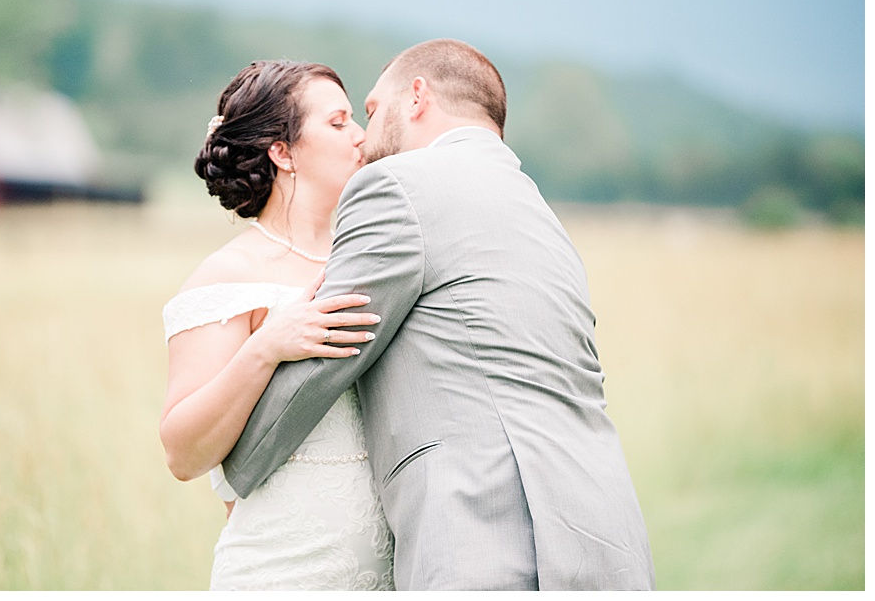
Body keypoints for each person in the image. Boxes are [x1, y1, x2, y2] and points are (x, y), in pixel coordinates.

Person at [221, 39, 657, 590]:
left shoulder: (397, 187)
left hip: (489, 539)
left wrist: (232, 465)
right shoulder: (538, 212)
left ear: (417, 98)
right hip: (605, 538)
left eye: (373, 111)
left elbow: (331, 345)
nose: (364, 136)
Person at [159, 60, 394, 590]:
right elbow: (181, 453)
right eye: (338, 123)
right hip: (282, 568)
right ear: (282, 151)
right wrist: (266, 348)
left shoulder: (370, 259)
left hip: (391, 568)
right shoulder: (228, 276)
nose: (359, 135)